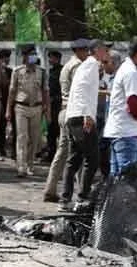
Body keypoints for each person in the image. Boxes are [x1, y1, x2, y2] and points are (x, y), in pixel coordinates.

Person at [60, 40, 108, 212]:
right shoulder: (92, 65)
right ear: (96, 51)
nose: (107, 53)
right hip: (82, 117)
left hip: (73, 115)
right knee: (92, 159)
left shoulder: (85, 65)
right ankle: (83, 197)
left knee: (74, 159)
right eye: (105, 49)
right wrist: (88, 114)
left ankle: (65, 199)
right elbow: (83, 89)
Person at [43, 38, 89, 202]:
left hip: (65, 111)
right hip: (74, 113)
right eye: (86, 50)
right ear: (79, 51)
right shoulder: (78, 67)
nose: (88, 53)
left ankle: (51, 188)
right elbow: (81, 91)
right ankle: (81, 193)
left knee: (62, 153)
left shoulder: (68, 65)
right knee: (79, 153)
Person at [102, 36, 137, 177]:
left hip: (120, 132)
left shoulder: (125, 68)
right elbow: (134, 105)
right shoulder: (131, 72)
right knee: (129, 181)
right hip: (127, 134)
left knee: (116, 179)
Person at [6, 44, 48, 178]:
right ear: (24, 57)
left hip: (37, 107)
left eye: (34, 55)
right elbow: (12, 91)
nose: (33, 57)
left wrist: (46, 108)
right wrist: (8, 110)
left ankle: (30, 164)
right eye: (30, 55)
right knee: (22, 137)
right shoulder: (17, 71)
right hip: (21, 107)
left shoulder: (41, 72)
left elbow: (45, 90)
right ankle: (21, 167)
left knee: (34, 138)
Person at [96, 52, 118, 179]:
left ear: (114, 63)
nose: (103, 66)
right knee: (102, 148)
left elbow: (112, 93)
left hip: (114, 122)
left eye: (106, 63)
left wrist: (96, 90)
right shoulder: (106, 78)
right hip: (104, 119)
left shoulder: (119, 77)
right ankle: (106, 177)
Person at [45, 49, 63, 159]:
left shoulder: (62, 71)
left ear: (57, 59)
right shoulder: (51, 71)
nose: (50, 60)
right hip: (51, 103)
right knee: (50, 129)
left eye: (52, 58)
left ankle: (58, 154)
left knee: (57, 129)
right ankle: (51, 153)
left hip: (58, 103)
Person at [0, 49, 13, 158]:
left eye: (7, 57)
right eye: (4, 57)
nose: (6, 59)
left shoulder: (10, 71)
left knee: (3, 126)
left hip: (6, 101)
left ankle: (2, 148)